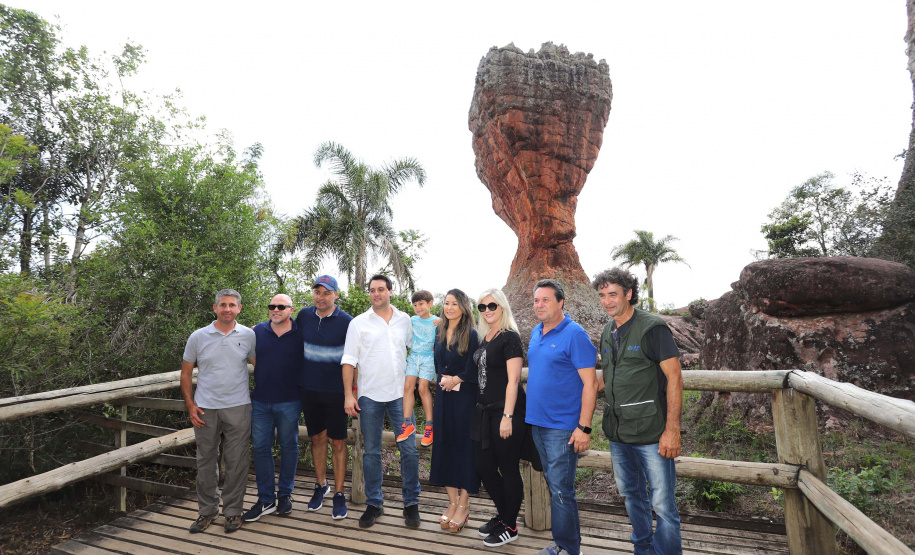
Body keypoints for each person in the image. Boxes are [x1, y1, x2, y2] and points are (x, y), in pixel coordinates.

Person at [593, 268, 683, 555]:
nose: (607, 301)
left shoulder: (652, 327)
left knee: (663, 505)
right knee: (631, 496)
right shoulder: (608, 331)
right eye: (602, 295)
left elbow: (675, 378)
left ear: (628, 294)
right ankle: (643, 550)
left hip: (652, 432)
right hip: (618, 433)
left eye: (613, 294)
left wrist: (672, 429)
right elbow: (605, 377)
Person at [342, 274, 421, 529]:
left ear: (390, 291)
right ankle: (374, 503)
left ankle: (411, 504)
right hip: (369, 396)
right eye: (372, 290)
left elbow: (418, 350)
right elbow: (349, 360)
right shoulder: (358, 323)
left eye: (381, 289)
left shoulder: (405, 320)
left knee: (408, 450)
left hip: (401, 396)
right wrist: (349, 395)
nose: (376, 294)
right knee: (371, 452)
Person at [526, 279, 598, 555]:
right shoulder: (536, 331)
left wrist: (584, 427)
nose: (539, 305)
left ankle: (568, 548)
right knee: (554, 486)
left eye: (545, 299)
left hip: (562, 428)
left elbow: (590, 384)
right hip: (537, 424)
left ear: (560, 302)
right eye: (536, 300)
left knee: (560, 490)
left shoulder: (575, 334)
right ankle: (563, 543)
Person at [180, 289, 256, 534]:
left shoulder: (249, 335)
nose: (227, 309)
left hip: (239, 407)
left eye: (232, 305)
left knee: (237, 462)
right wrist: (190, 405)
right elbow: (185, 373)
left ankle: (233, 513)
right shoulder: (198, 337)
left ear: (239, 309)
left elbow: (261, 366)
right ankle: (207, 511)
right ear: (214, 308)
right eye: (222, 304)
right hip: (205, 409)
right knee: (205, 462)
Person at [472, 288, 526, 547]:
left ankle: (511, 525)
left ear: (502, 306)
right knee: (483, 467)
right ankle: (505, 516)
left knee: (508, 468)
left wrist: (508, 416)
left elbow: (514, 380)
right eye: (482, 307)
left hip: (505, 412)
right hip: (484, 412)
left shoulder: (509, 337)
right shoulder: (486, 337)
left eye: (492, 305)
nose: (487, 310)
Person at [242, 294, 303, 523]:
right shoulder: (256, 331)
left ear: (291, 309)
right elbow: (252, 357)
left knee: (289, 446)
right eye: (272, 306)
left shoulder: (300, 332)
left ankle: (285, 495)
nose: (275, 309)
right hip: (260, 401)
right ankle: (266, 499)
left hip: (290, 401)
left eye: (281, 306)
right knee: (259, 447)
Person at [297, 275, 353, 519]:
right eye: (317, 292)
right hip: (309, 389)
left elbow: (353, 360)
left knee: (338, 443)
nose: (321, 297)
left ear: (336, 295)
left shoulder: (348, 322)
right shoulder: (304, 315)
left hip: (337, 392)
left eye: (326, 293)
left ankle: (339, 493)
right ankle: (321, 485)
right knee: (317, 439)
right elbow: (286, 332)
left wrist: (352, 393)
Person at [429, 289, 480, 533]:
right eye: (447, 303)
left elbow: (474, 367)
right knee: (444, 443)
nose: (449, 308)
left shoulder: (471, 334)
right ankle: (451, 501)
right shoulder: (438, 332)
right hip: (443, 397)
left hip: (464, 399)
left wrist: (456, 379)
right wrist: (444, 381)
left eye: (455, 304)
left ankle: (464, 504)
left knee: (464, 447)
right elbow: (438, 364)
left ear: (463, 307)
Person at [396, 289, 438, 447]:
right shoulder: (412, 320)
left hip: (428, 358)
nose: (418, 307)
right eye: (415, 305)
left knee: (422, 388)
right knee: (407, 386)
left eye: (421, 304)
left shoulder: (437, 321)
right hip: (414, 356)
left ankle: (429, 426)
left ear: (430, 304)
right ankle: (407, 424)